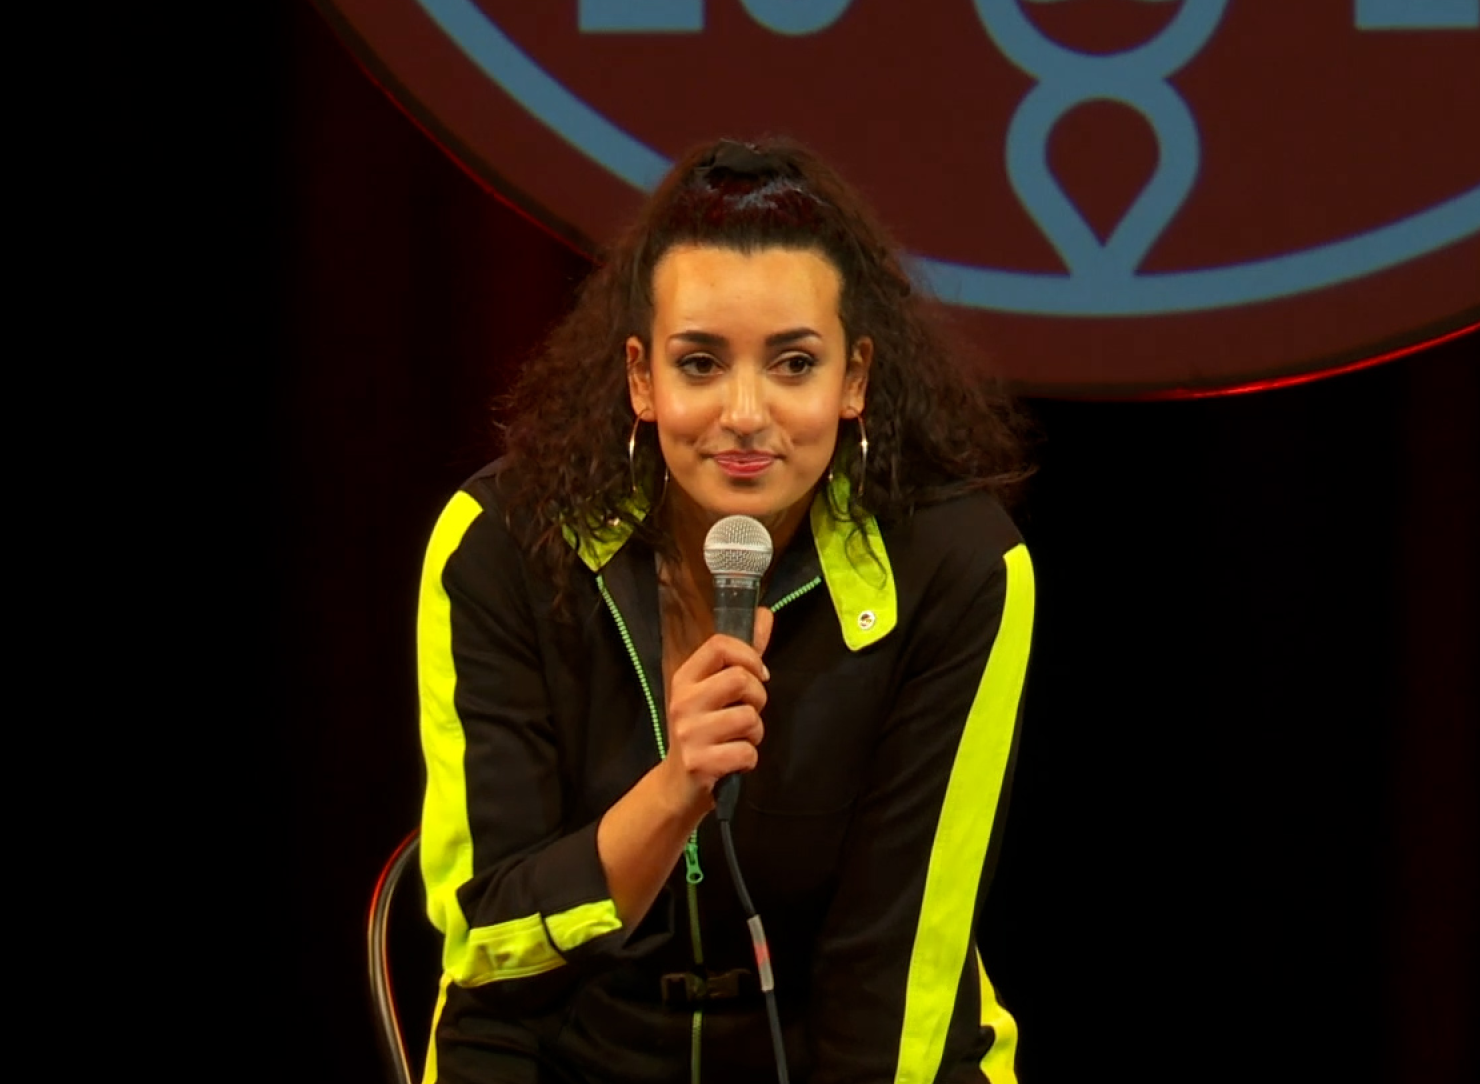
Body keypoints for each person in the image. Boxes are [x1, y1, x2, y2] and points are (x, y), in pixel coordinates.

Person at [415, 136, 1034, 1084]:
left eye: (794, 364)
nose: (746, 413)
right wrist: (675, 790)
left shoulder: (956, 568)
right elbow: (491, 939)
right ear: (642, 379)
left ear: (854, 380)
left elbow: (898, 967)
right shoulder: (501, 544)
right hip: (570, 1048)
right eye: (701, 363)